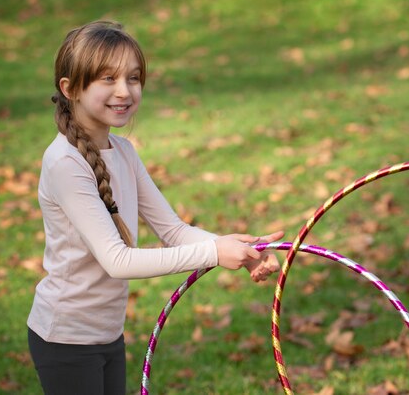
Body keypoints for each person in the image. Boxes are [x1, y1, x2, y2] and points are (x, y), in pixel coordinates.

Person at [26, 20, 283, 395]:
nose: (124, 91)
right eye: (107, 79)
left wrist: (242, 250)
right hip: (65, 339)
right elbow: (117, 261)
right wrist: (213, 252)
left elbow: (174, 231)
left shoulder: (124, 152)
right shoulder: (65, 163)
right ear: (70, 89)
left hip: (107, 334)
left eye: (133, 78)